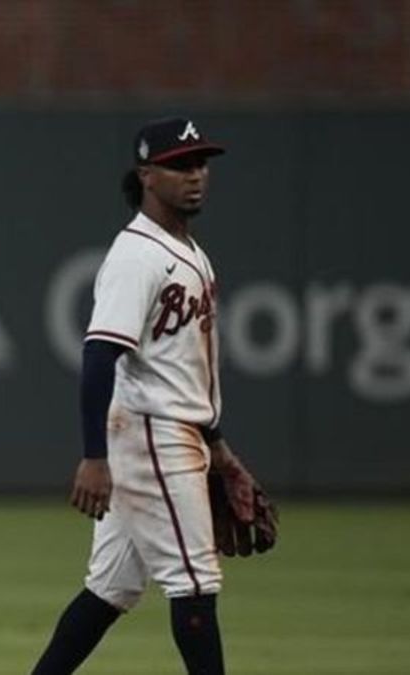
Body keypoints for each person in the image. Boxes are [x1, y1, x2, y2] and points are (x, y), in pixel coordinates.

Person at [30, 117, 263, 674]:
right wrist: (93, 457)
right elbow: (98, 356)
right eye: (179, 165)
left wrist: (221, 449)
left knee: (110, 588)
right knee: (195, 582)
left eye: (201, 163)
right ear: (146, 175)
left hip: (173, 430)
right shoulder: (137, 254)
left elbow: (186, 371)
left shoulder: (190, 252)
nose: (195, 176)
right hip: (154, 434)